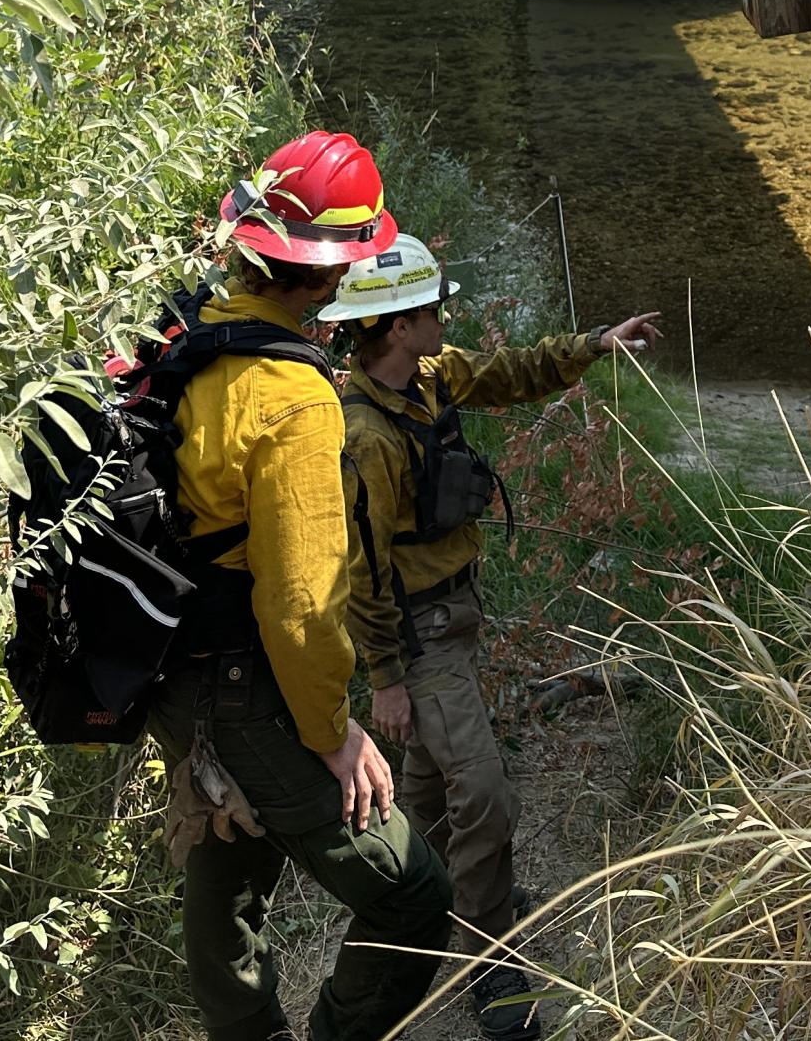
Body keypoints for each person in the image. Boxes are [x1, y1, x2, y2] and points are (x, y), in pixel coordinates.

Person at [150, 130, 456, 1041]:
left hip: (175, 666)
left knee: (227, 865)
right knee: (412, 896)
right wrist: (333, 733)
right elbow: (301, 603)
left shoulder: (190, 333)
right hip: (249, 684)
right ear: (330, 276)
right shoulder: (295, 396)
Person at [322, 233, 663, 1040]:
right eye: (432, 309)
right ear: (396, 328)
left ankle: (420, 907)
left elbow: (510, 375)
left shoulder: (432, 377)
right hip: (421, 636)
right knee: (486, 795)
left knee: (431, 798)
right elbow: (362, 567)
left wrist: (594, 344)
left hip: (456, 615)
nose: (444, 318)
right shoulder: (365, 436)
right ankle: (489, 961)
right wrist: (388, 678)